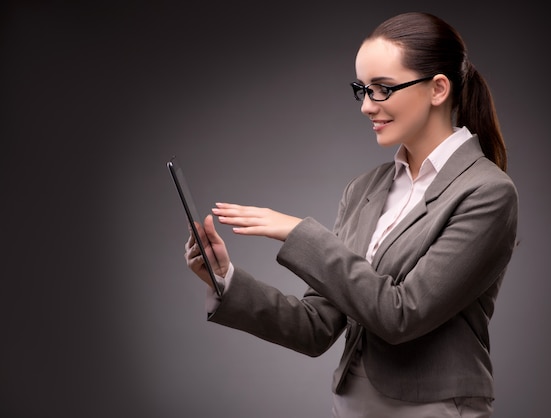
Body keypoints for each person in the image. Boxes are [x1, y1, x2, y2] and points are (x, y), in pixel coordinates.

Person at [184, 11, 518, 418]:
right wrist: (224, 278)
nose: (365, 106)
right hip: (352, 407)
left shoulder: (487, 192)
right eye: (362, 88)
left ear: (438, 89)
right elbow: (316, 327)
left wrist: (296, 232)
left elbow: (401, 315)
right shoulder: (364, 189)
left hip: (434, 409)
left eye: (382, 89)